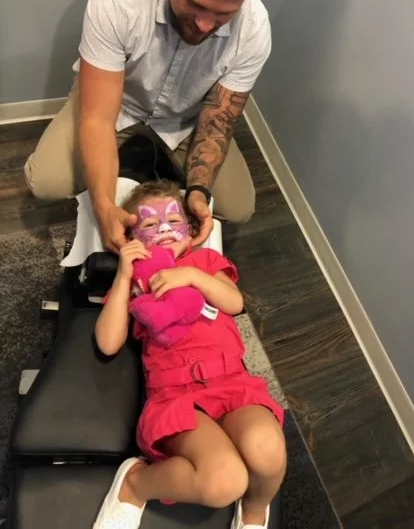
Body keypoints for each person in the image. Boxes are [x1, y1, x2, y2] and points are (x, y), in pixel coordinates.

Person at [23, 0, 272, 252]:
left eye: (223, 14)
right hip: (115, 102)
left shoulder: (255, 30)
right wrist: (105, 208)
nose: (205, 25)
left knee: (238, 208)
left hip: (186, 118)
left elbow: (217, 123)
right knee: (46, 182)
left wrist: (198, 192)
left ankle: (149, 159)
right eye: (196, 3)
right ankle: (134, 160)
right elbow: (98, 119)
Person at [93, 180, 287, 529]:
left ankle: (254, 509)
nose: (164, 229)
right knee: (225, 481)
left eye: (173, 220)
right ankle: (135, 483)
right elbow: (108, 342)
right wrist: (123, 277)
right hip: (177, 395)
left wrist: (192, 276)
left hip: (232, 384)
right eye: (150, 224)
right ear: (134, 237)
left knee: (268, 451)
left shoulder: (205, 262)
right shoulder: (138, 282)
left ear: (190, 229)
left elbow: (234, 302)